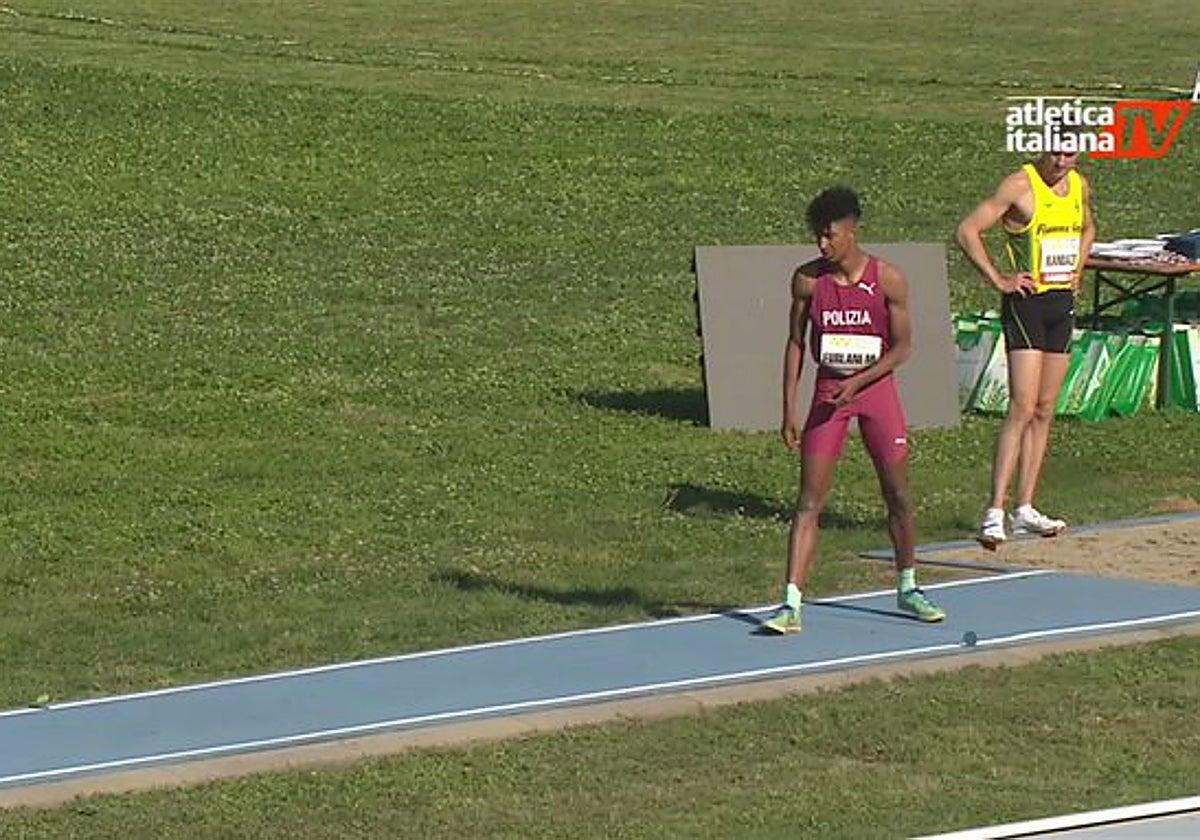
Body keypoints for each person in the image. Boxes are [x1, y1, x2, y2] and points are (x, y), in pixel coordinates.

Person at [762, 187, 945, 635]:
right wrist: (788, 408)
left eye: (829, 236)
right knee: (808, 501)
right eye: (817, 237)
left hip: (875, 393)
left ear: (851, 231)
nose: (822, 246)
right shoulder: (807, 280)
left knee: (897, 494)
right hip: (829, 396)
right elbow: (794, 343)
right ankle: (790, 604)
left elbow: (903, 348)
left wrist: (859, 382)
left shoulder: (889, 279)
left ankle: (908, 586)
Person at [955, 147, 1095, 549]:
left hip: (1060, 304)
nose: (1063, 162)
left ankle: (1026, 506)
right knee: (1021, 405)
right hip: (1026, 305)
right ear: (1043, 148)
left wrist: (1078, 269)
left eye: (1071, 154)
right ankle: (994, 510)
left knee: (1045, 408)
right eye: (1057, 153)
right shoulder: (1020, 185)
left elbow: (1088, 229)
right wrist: (999, 279)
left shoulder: (1078, 186)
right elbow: (967, 231)